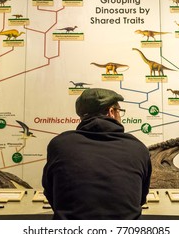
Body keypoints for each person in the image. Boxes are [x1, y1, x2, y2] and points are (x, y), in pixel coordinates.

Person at [42, 88, 152, 220]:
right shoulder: (137, 148)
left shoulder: (60, 145)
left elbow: (51, 193)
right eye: (119, 111)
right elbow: (140, 199)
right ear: (111, 112)